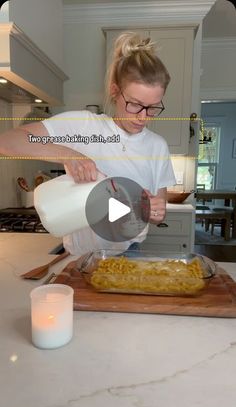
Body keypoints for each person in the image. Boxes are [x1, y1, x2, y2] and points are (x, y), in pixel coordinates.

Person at [0, 32, 176, 256]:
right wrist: (68, 154)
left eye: (153, 107)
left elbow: (159, 206)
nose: (143, 117)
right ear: (115, 91)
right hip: (80, 256)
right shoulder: (83, 127)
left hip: (130, 253)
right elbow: (7, 141)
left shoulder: (157, 147)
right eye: (135, 104)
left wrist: (157, 211)